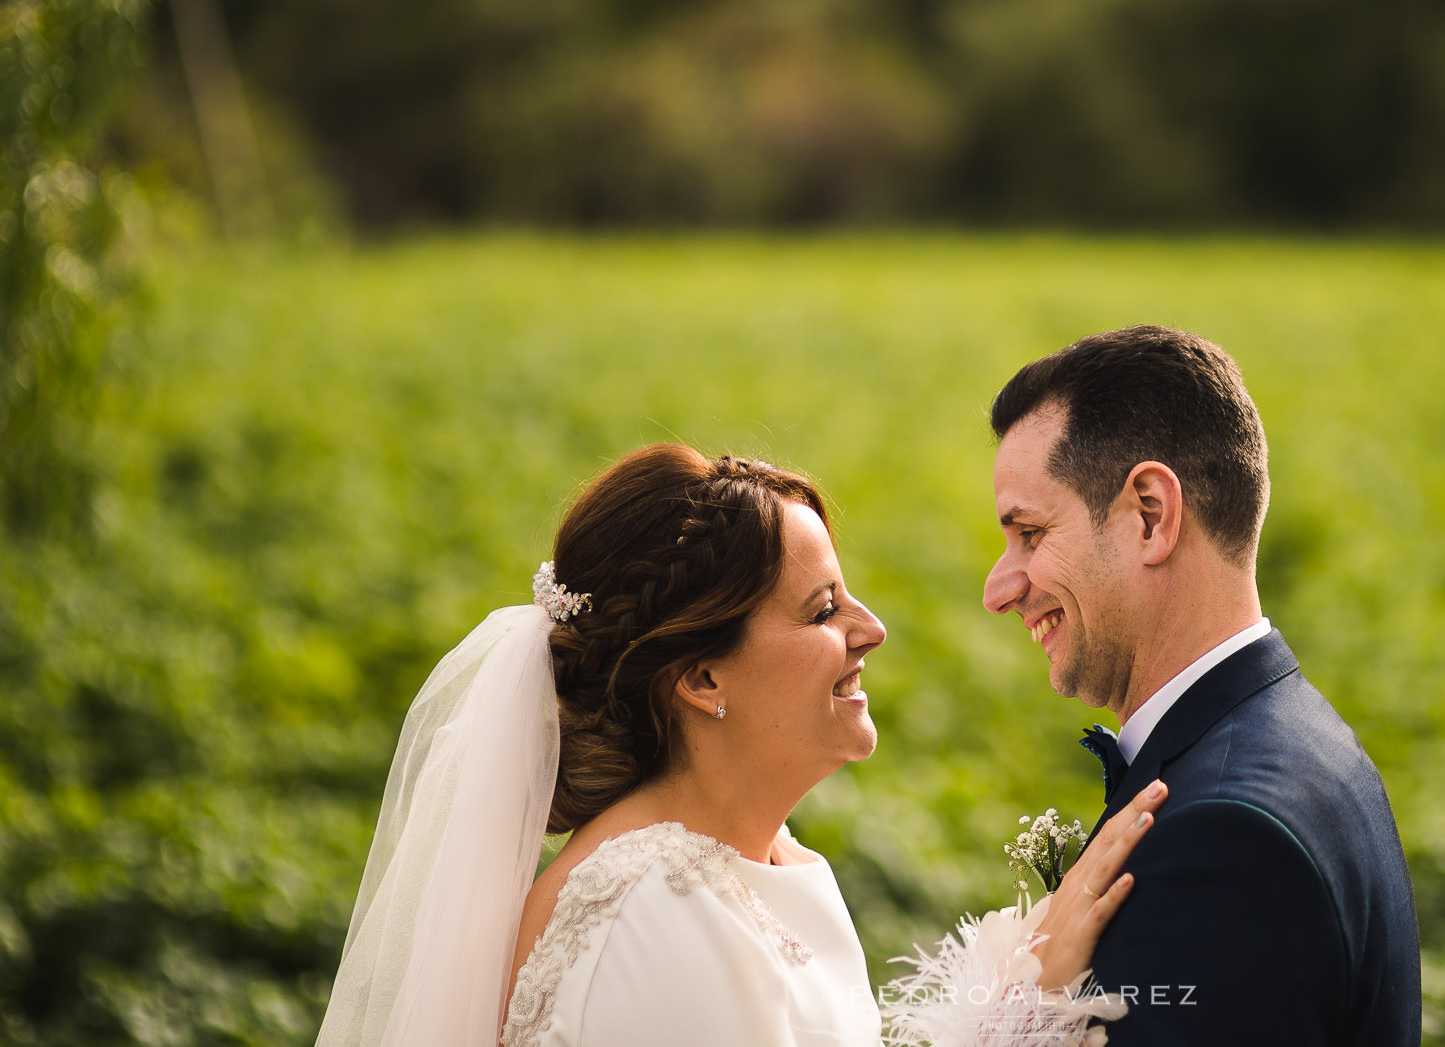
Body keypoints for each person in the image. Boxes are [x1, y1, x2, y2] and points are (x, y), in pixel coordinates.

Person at [315, 443, 1163, 1047]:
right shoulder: (652, 914)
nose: (871, 628)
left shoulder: (771, 864)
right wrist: (1018, 1016)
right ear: (702, 680)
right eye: (822, 609)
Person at [982, 326, 1423, 1046]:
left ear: (1150, 515)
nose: (999, 589)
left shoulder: (1225, 839)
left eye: (1029, 533)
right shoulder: (1299, 736)